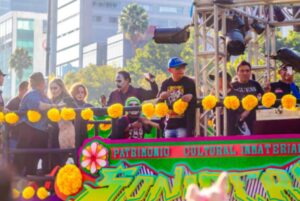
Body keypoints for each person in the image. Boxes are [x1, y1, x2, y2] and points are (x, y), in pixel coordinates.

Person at [14, 72, 55, 176]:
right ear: (40, 83)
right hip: (28, 129)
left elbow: (49, 105)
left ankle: (30, 183)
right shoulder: (31, 94)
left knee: (33, 159)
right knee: (21, 159)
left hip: (40, 131)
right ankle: (14, 183)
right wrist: (56, 106)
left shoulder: (43, 95)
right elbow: (39, 106)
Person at [158, 57, 196, 138]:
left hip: (184, 125)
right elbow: (158, 102)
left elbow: (195, 101)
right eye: (178, 68)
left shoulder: (189, 82)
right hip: (169, 125)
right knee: (169, 149)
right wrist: (161, 97)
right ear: (170, 70)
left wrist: (191, 97)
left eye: (183, 68)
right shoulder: (165, 83)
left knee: (182, 149)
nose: (181, 70)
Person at [231, 61, 264, 134]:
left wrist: (267, 91)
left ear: (250, 72)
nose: (245, 73)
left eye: (247, 71)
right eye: (242, 71)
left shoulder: (255, 84)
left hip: (254, 120)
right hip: (237, 122)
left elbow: (262, 98)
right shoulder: (232, 86)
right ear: (237, 73)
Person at [49, 78, 76, 149]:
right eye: (51, 88)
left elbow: (76, 112)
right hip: (54, 131)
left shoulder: (68, 99)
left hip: (66, 130)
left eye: (55, 88)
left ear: (61, 88)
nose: (53, 91)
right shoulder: (50, 101)